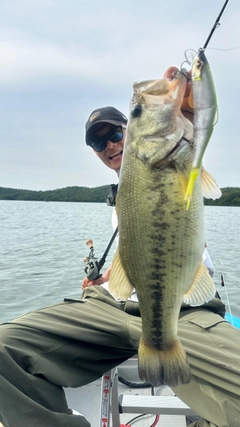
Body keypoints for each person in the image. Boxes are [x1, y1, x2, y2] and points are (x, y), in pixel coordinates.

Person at [0, 69, 240, 427]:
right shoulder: (121, 195)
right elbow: (137, 251)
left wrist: (186, 110)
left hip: (183, 309)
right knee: (4, 347)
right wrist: (108, 278)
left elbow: (200, 124)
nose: (110, 145)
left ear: (129, 131)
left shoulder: (181, 160)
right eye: (100, 143)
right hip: (113, 307)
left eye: (115, 133)